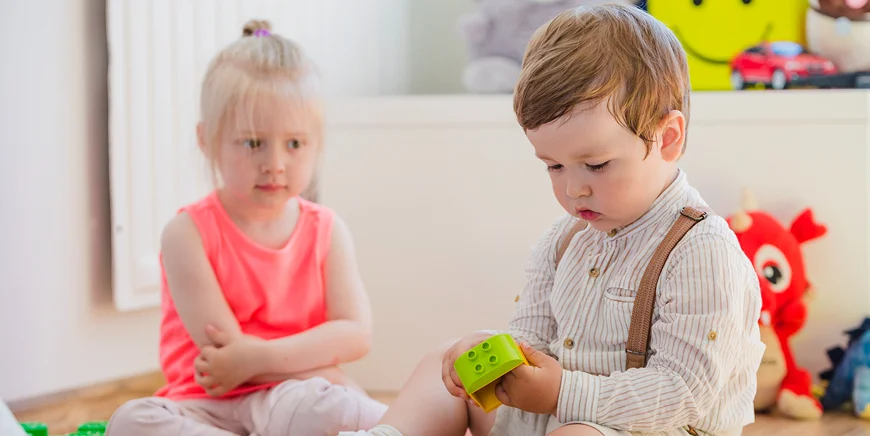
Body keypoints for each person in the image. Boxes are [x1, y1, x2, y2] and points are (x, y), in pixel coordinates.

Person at [342, 4, 764, 436]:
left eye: (596, 165)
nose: (573, 189)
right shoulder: (564, 240)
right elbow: (532, 343)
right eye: (554, 166)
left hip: (653, 426)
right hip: (553, 417)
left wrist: (563, 393)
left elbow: (683, 394)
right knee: (441, 364)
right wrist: (496, 353)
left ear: (667, 138)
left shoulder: (701, 251)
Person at [106, 19, 386, 436]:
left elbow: (356, 334)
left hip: (292, 396)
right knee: (130, 421)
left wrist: (262, 359)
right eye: (254, 143)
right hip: (205, 406)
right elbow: (226, 357)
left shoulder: (327, 230)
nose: (275, 163)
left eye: (294, 144)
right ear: (207, 140)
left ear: (316, 143)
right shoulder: (186, 233)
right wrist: (314, 360)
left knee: (328, 406)